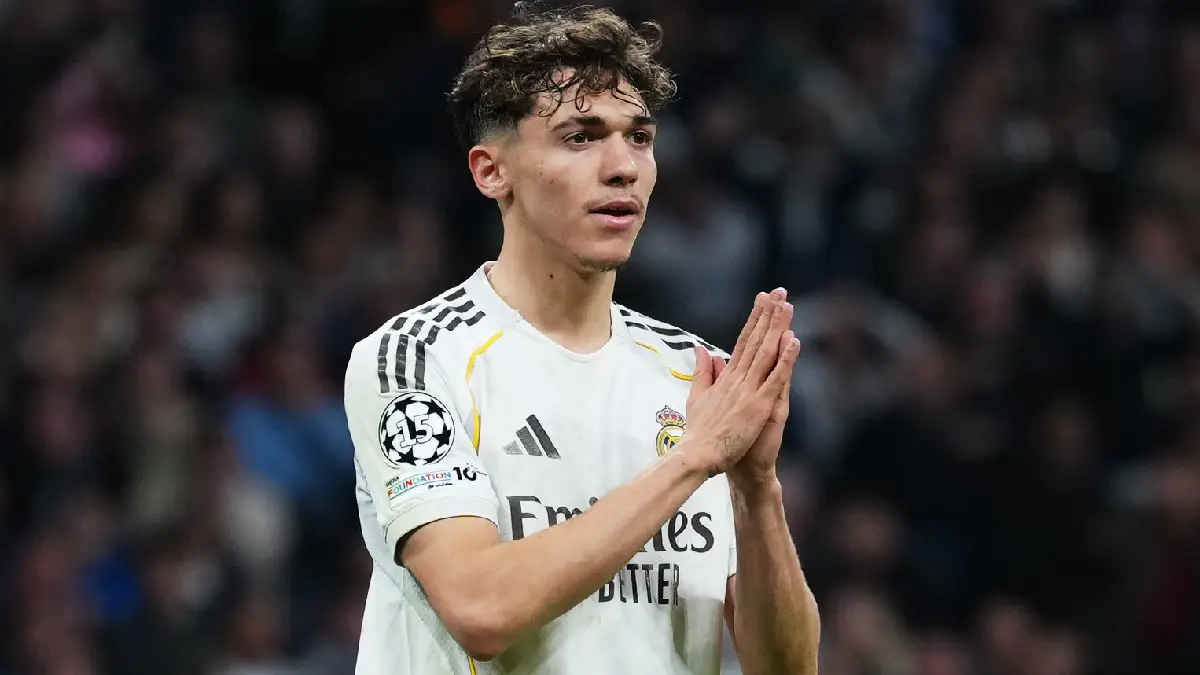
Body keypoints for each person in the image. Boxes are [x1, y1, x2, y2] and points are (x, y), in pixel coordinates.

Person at [342, 5, 820, 674]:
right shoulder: (419, 357)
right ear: (491, 171)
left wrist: (756, 487)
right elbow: (480, 608)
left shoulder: (694, 375)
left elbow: (786, 668)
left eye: (640, 136)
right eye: (581, 136)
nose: (622, 166)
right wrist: (693, 457)